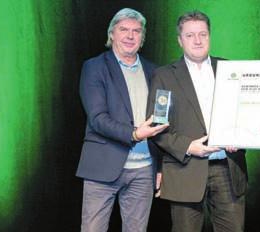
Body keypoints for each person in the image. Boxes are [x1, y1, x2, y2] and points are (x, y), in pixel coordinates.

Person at [147, 10, 248, 232]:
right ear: (179, 40)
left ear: (210, 36)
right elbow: (157, 127)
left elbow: (247, 115)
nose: (198, 40)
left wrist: (241, 136)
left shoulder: (231, 70)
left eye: (203, 34)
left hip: (228, 169)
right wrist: (189, 147)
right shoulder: (164, 75)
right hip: (186, 170)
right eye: (190, 35)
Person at [76, 8, 168, 232]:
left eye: (136, 31)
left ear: (142, 38)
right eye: (123, 29)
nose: (130, 35)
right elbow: (98, 119)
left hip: (144, 170)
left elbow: (161, 122)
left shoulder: (155, 71)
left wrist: (161, 167)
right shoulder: (94, 67)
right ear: (112, 34)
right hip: (102, 167)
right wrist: (135, 134)